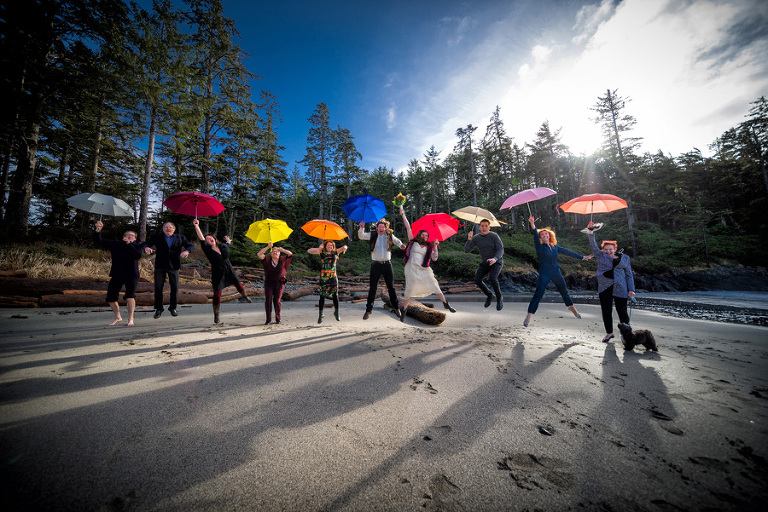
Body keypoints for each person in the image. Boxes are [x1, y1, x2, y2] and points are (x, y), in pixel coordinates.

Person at [524, 215, 593, 327]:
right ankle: (529, 315)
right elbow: (535, 235)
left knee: (564, 290)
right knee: (539, 293)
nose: (544, 235)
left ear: (549, 235)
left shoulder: (555, 247)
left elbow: (568, 252)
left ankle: (572, 308)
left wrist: (582, 257)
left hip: (555, 271)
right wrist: (532, 223)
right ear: (541, 237)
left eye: (546, 234)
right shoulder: (539, 246)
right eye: (542, 234)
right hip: (544, 273)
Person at [398, 206, 456, 322]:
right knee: (409, 289)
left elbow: (434, 258)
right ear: (419, 235)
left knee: (434, 285)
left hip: (424, 268)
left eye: (427, 235)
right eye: (423, 235)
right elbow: (408, 227)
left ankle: (446, 304)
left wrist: (435, 246)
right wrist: (403, 214)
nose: (425, 236)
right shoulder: (413, 241)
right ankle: (404, 311)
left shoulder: (430, 246)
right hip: (412, 268)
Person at [192, 219, 252, 324]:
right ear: (206, 242)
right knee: (217, 294)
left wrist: (228, 241)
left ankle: (244, 296)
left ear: (214, 239)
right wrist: (197, 226)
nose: (209, 239)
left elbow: (227, 245)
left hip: (228, 269)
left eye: (211, 237)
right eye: (207, 239)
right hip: (217, 272)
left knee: (239, 284)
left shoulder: (222, 246)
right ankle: (216, 314)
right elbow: (201, 238)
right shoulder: (207, 250)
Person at [587, 221, 635, 342]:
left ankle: (626, 334)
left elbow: (629, 274)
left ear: (615, 249)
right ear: (603, 250)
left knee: (622, 311)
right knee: (606, 311)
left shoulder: (625, 258)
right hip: (605, 286)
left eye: (611, 249)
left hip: (621, 287)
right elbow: (593, 246)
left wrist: (631, 290)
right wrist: (590, 231)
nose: (608, 251)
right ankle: (609, 333)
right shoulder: (600, 255)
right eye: (606, 249)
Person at [93, 220, 143, 327]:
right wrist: (98, 230)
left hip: (131, 275)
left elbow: (137, 256)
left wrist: (130, 244)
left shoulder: (137, 246)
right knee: (111, 297)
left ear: (135, 238)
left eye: (132, 235)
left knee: (130, 296)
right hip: (117, 274)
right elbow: (99, 241)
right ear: (123, 237)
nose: (130, 236)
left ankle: (130, 319)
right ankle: (118, 317)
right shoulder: (116, 244)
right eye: (127, 235)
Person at [141, 222, 194, 318]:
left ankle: (173, 307)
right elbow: (146, 243)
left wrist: (187, 251)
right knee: (158, 287)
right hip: (160, 265)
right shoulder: (157, 236)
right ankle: (159, 308)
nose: (168, 229)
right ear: (163, 229)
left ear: (174, 229)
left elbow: (190, 246)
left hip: (174, 266)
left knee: (174, 287)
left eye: (170, 227)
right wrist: (147, 248)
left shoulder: (180, 237)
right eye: (166, 227)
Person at [358, 218, 406, 320]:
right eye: (379, 227)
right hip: (376, 265)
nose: (381, 228)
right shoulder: (372, 234)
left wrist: (401, 245)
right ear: (377, 228)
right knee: (373, 288)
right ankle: (368, 310)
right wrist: (361, 228)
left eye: (383, 227)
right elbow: (361, 236)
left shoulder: (389, 235)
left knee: (391, 287)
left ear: (385, 228)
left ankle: (396, 308)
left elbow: (397, 241)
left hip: (387, 264)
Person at [464, 219, 505, 311]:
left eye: (486, 226)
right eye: (482, 226)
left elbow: (500, 249)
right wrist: (469, 239)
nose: (484, 228)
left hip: (496, 261)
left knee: (492, 278)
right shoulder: (476, 237)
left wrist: (495, 259)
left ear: (489, 227)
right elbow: (467, 250)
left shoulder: (494, 236)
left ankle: (499, 298)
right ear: (479, 227)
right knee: (477, 280)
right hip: (485, 262)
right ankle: (490, 295)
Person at [307, 239, 348, 323]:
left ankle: (336, 312)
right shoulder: (321, 252)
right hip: (324, 277)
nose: (330, 246)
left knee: (335, 295)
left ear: (333, 247)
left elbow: (344, 246)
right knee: (322, 296)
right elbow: (309, 251)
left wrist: (345, 248)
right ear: (325, 246)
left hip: (333, 276)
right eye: (328, 245)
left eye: (331, 245)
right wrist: (319, 249)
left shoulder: (335, 252)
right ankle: (321, 314)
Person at [257, 242, 293, 325]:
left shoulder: (283, 259)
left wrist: (282, 249)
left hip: (280, 283)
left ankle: (278, 318)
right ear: (271, 253)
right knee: (268, 300)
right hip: (269, 283)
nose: (275, 253)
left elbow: (290, 254)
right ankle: (268, 320)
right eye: (273, 251)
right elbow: (259, 254)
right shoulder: (267, 260)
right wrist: (268, 247)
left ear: (279, 253)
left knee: (277, 300)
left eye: (277, 252)